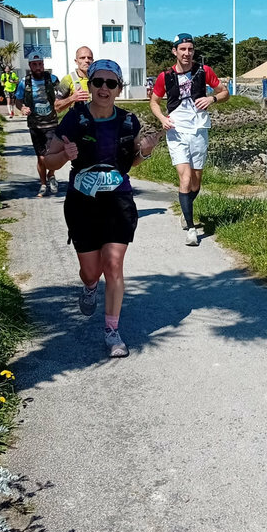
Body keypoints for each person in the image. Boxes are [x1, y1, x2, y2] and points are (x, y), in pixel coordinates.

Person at [43, 59, 160, 358]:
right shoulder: (75, 118)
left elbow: (132, 161)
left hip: (118, 200)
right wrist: (65, 155)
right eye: (98, 82)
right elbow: (49, 160)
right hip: (82, 202)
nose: (104, 88)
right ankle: (89, 285)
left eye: (111, 83)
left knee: (114, 264)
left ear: (119, 88)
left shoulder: (129, 121)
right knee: (91, 271)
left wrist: (145, 152)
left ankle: (112, 331)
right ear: (90, 85)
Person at [149, 32, 229, 246]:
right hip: (176, 131)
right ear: (174, 51)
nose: (187, 53)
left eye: (190, 49)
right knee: (184, 178)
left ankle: (187, 209)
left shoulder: (204, 71)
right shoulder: (165, 76)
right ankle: (191, 229)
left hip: (199, 129)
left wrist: (212, 98)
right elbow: (154, 101)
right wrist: (162, 119)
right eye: (182, 49)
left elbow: (224, 93)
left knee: (195, 182)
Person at [20, 55, 61, 197]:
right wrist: (22, 108)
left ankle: (51, 174)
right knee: (41, 157)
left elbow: (62, 95)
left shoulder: (53, 79)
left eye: (40, 64)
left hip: (51, 122)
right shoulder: (24, 82)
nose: (38, 67)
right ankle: (43, 184)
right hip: (35, 125)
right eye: (35, 64)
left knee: (52, 154)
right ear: (30, 66)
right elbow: (18, 100)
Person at [55, 45, 93, 115]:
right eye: (82, 58)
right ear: (76, 61)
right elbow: (57, 107)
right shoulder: (68, 79)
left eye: (89, 58)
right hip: (78, 120)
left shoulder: (98, 79)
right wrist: (72, 98)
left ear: (93, 61)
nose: (87, 60)